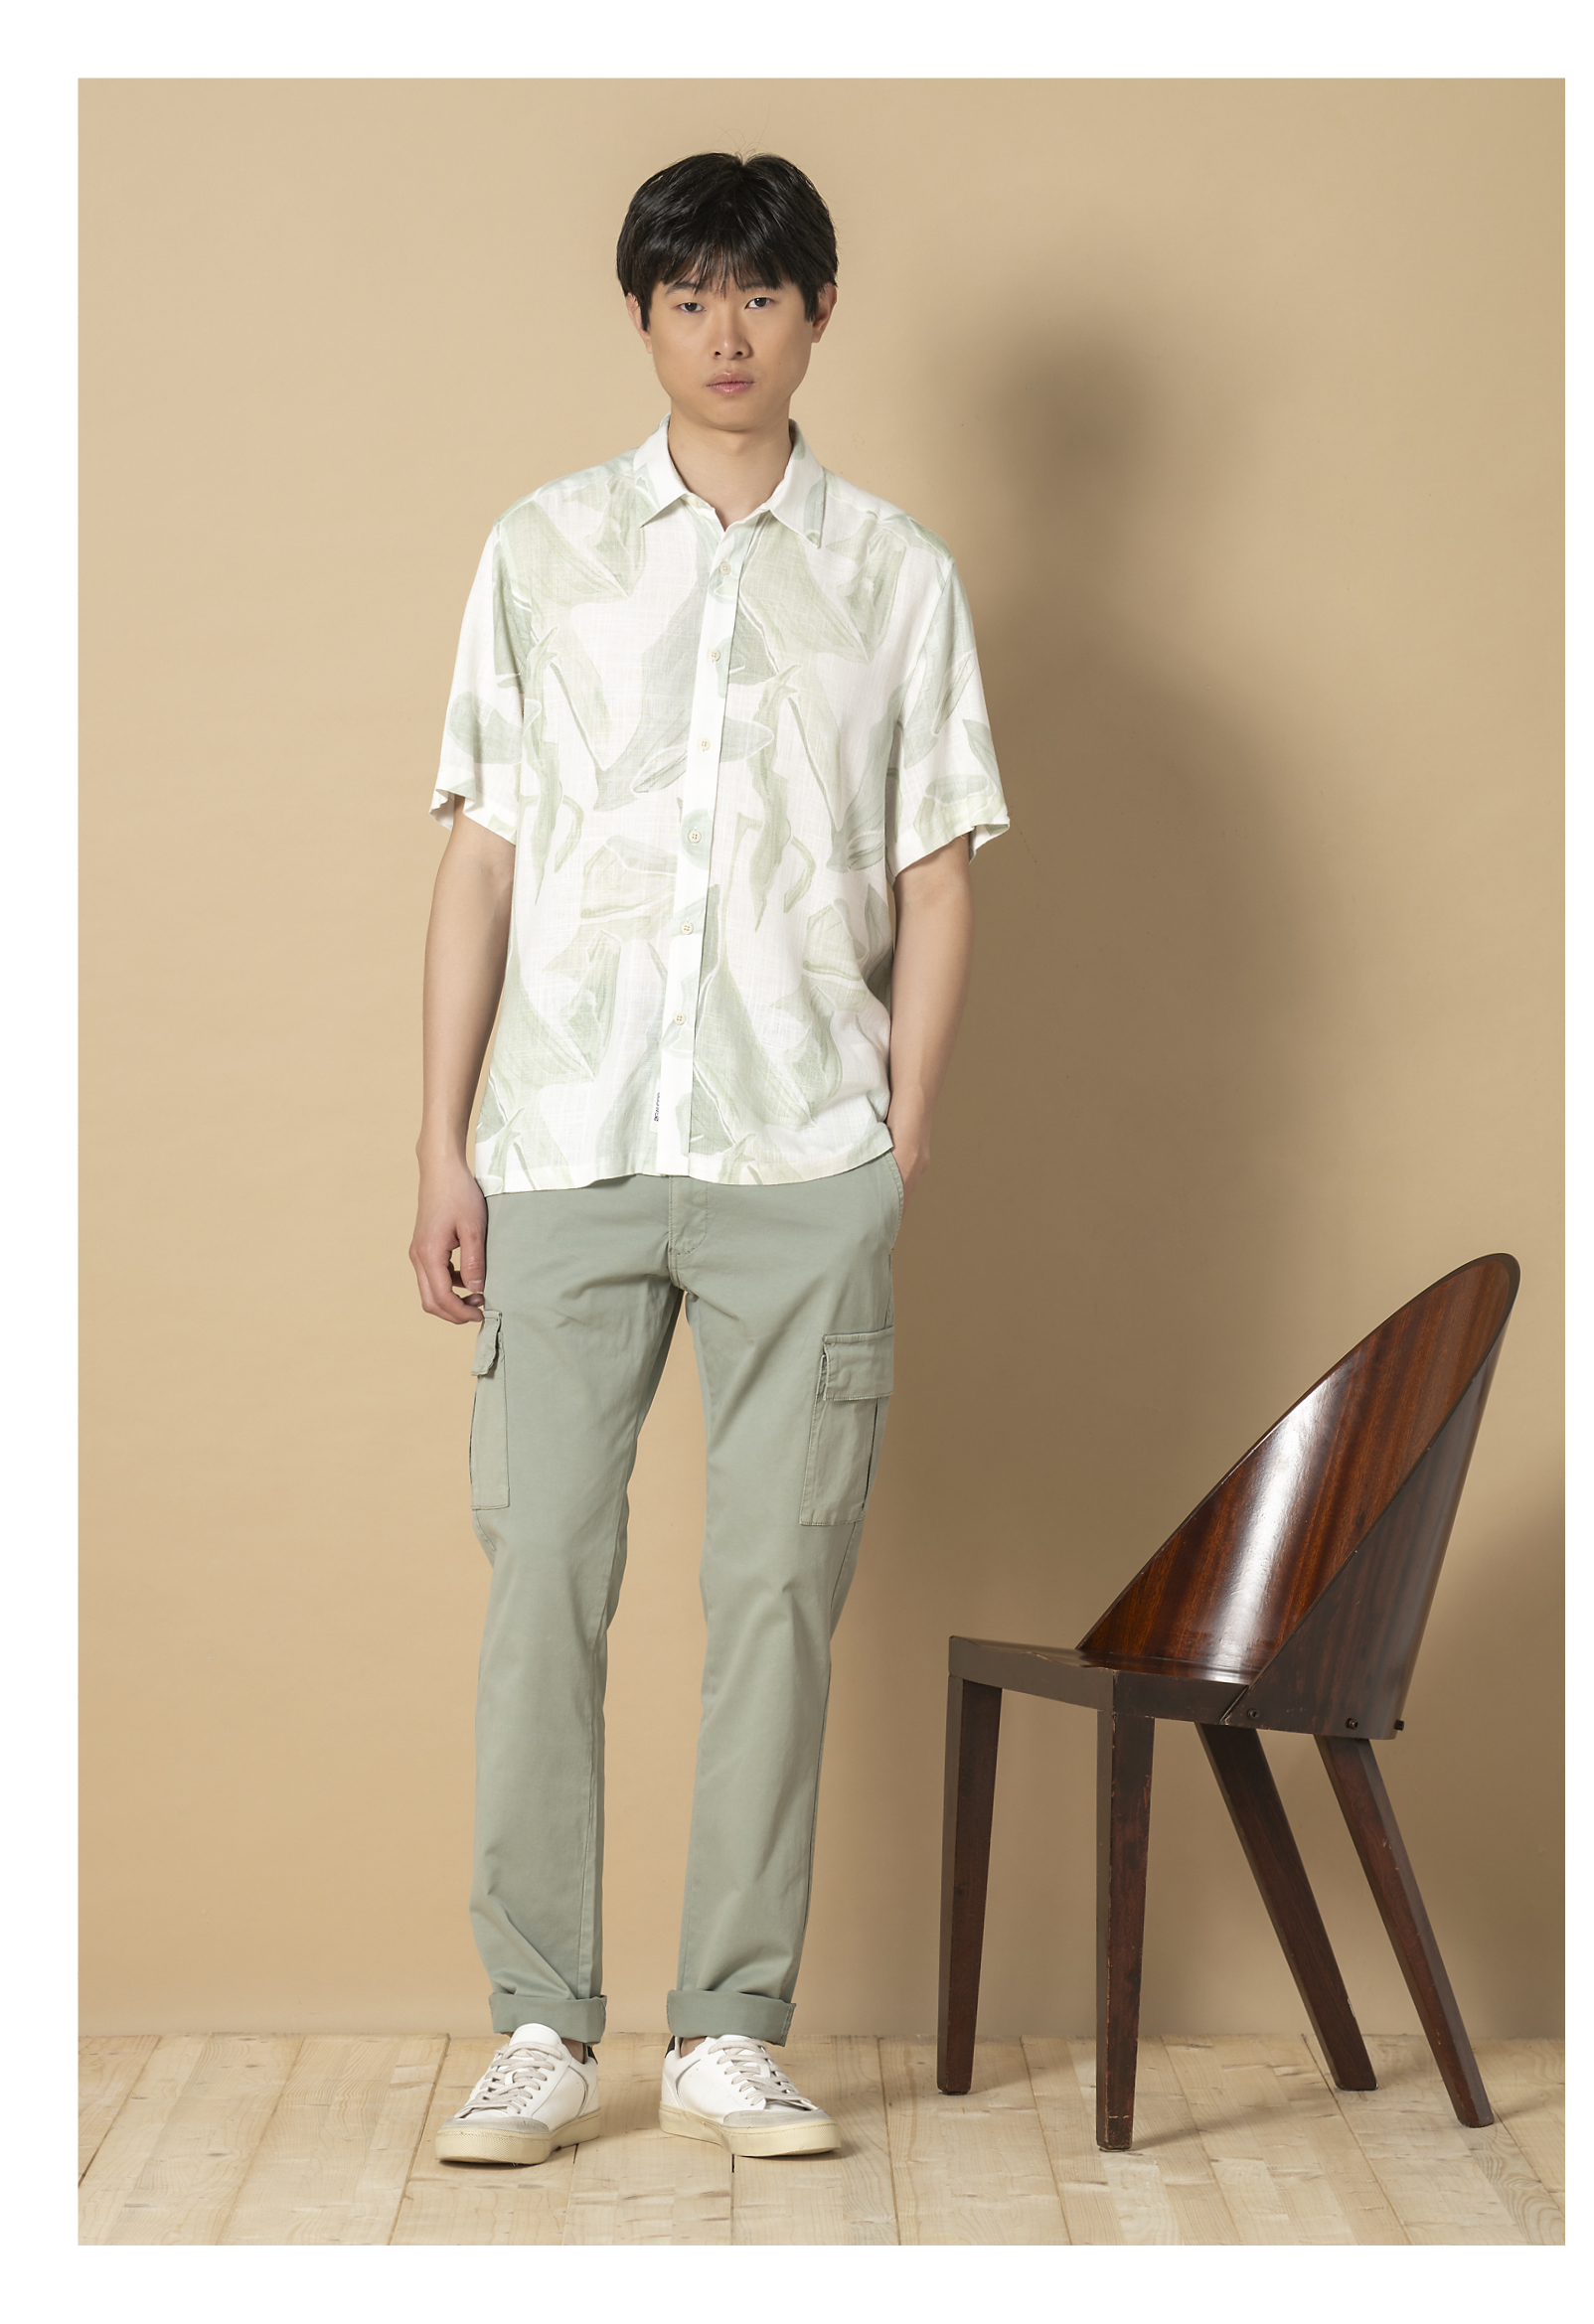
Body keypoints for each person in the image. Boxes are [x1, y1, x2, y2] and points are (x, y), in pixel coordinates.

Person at [408, 150, 1009, 2168]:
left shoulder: (897, 576)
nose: (725, 331)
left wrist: (895, 1139)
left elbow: (937, 875)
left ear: (818, 313)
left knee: (774, 1600)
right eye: (689, 297)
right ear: (643, 318)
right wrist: (441, 1145)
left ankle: (728, 2031)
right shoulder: (542, 551)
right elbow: (480, 861)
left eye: (760, 293)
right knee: (542, 1586)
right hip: (563, 1146)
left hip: (798, 1164)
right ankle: (537, 2026)